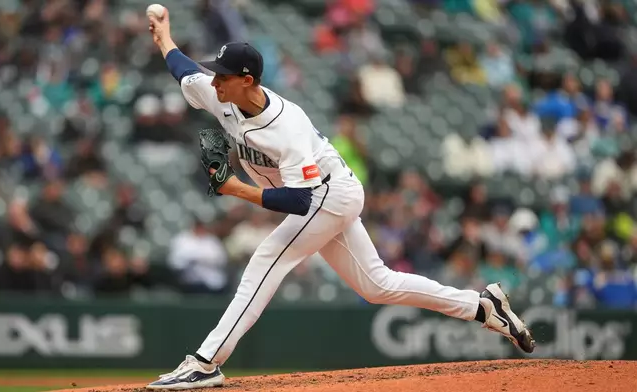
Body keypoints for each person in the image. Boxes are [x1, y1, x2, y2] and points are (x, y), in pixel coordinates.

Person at [145, 9, 535, 390]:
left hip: (329, 193)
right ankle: (482, 307)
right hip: (325, 196)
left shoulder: (287, 126)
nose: (215, 82)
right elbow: (184, 69)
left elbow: (301, 201)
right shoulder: (223, 96)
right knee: (377, 285)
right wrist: (164, 36)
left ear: (247, 80)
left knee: (264, 262)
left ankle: (205, 362)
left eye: (223, 76)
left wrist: (236, 189)